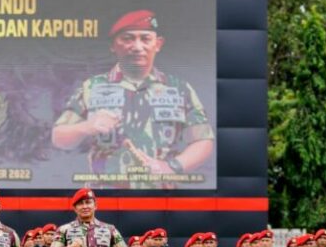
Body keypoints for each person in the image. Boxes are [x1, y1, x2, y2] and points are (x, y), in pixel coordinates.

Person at [51, 10, 214, 186]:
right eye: (128, 39)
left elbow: (203, 140)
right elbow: (59, 137)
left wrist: (172, 167)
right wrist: (86, 127)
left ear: (158, 44)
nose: (137, 47)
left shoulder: (179, 89)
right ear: (113, 45)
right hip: (106, 198)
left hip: (160, 198)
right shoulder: (91, 87)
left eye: (145, 39)